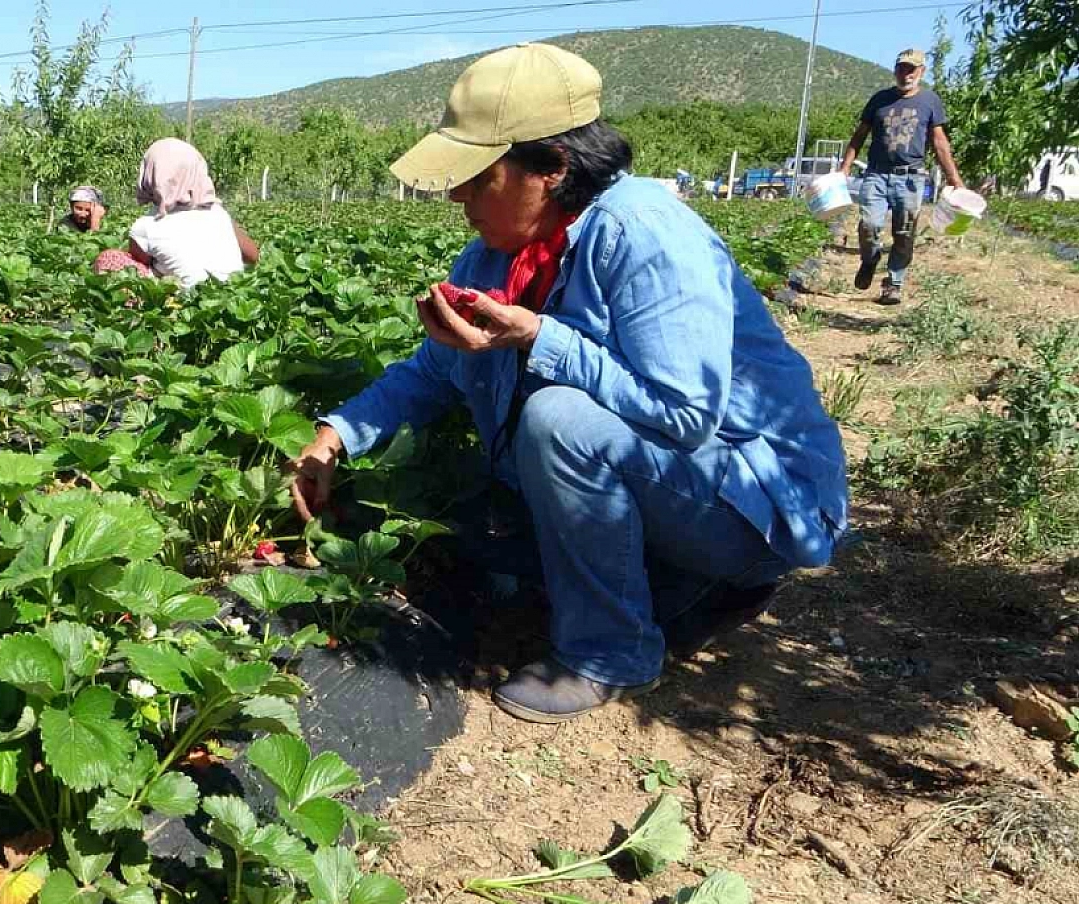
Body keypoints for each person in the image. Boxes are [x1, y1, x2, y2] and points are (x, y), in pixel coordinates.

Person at [289, 44, 849, 724]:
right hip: (676, 485)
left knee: (559, 421)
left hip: (755, 502)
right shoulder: (501, 252)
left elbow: (686, 413)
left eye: (479, 176)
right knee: (473, 539)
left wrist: (540, 338)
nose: (460, 197)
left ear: (552, 167)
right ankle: (684, 588)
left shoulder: (645, 233)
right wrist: (333, 437)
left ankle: (613, 652)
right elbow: (434, 370)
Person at [840, 48, 964, 306]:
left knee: (904, 232)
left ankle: (893, 284)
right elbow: (859, 135)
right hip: (876, 173)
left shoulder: (930, 101)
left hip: (910, 178)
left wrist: (955, 180)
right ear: (895, 69)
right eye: (901, 68)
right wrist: (845, 167)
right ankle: (870, 258)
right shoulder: (880, 99)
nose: (906, 74)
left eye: (912, 69)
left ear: (922, 71)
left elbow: (939, 142)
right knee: (869, 224)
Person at [124, 138, 261, 286]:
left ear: (150, 174)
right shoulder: (218, 213)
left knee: (110, 258)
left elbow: (142, 262)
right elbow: (253, 256)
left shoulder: (144, 227)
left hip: (186, 302)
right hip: (234, 292)